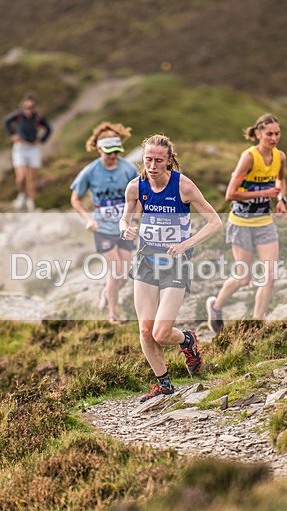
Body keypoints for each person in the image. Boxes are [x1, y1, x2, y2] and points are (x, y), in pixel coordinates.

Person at [119, 134, 222, 403]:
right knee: (145, 331)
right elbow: (124, 218)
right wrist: (126, 229)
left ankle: (187, 341)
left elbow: (215, 223)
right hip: (146, 260)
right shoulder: (136, 186)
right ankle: (164, 385)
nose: (152, 166)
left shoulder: (183, 186)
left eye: (158, 161)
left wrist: (186, 243)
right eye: (148, 160)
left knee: (161, 333)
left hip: (175, 263)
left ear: (169, 161)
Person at [205, 114, 287, 334]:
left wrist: (280, 199)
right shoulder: (249, 158)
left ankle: (257, 324)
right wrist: (264, 192)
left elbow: (280, 180)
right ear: (258, 134)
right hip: (241, 223)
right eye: (269, 134)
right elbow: (230, 194)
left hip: (265, 223)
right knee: (243, 278)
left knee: (270, 275)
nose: (273, 138)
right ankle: (215, 306)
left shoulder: (280, 157)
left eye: (277, 133)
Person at [70, 122, 139, 323]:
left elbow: (140, 195)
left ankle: (107, 293)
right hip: (102, 227)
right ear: (99, 149)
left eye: (117, 151)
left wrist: (134, 218)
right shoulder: (90, 172)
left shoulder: (127, 168)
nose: (113, 155)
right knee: (116, 270)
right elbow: (75, 199)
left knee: (124, 275)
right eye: (109, 151)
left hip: (124, 226)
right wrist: (88, 218)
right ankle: (113, 314)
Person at [3, 93, 52, 212]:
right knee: (21, 176)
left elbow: (48, 129)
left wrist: (41, 140)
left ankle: (31, 201)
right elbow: (6, 122)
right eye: (26, 107)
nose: (28, 110)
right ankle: (21, 195)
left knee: (32, 177)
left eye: (31, 107)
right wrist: (12, 135)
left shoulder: (38, 118)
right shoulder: (18, 116)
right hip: (20, 148)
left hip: (33, 148)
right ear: (23, 106)